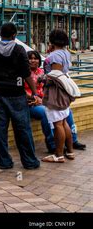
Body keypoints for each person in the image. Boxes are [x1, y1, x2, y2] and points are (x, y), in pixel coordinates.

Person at [0, 22, 40, 170]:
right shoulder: (19, 50)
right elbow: (27, 74)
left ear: (1, 34)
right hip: (17, 95)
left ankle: (4, 162)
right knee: (23, 129)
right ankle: (30, 161)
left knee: (0, 129)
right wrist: (34, 92)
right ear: (14, 35)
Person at [25, 50, 86, 153]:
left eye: (35, 58)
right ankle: (52, 144)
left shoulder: (43, 72)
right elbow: (21, 91)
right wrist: (35, 98)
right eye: (30, 58)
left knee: (67, 111)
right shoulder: (24, 73)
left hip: (44, 102)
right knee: (46, 112)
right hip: (31, 104)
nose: (33, 61)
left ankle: (72, 141)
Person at [41, 30, 75, 163]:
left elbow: (56, 76)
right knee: (64, 120)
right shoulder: (65, 53)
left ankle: (59, 155)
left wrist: (42, 79)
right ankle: (70, 151)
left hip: (56, 92)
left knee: (57, 124)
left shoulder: (55, 56)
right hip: (64, 91)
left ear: (52, 40)